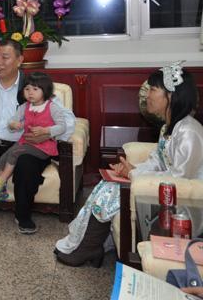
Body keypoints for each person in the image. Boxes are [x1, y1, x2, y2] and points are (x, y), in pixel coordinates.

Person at [55, 63, 203, 267]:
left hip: (184, 207)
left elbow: (180, 180)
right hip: (160, 191)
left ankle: (90, 246)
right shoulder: (170, 127)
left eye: (152, 90)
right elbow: (158, 161)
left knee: (113, 190)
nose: (146, 95)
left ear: (170, 96)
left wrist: (134, 177)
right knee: (108, 184)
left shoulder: (188, 133)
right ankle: (88, 244)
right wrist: (132, 170)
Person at [0, 39, 76, 234]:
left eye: (5, 57)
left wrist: (47, 135)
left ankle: (23, 215)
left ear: (19, 60)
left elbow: (67, 120)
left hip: (27, 147)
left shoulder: (34, 86)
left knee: (25, 163)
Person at [0, 72, 73, 206]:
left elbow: (62, 126)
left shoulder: (52, 107)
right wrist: (14, 124)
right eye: (27, 89)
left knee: (15, 153)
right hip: (25, 143)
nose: (30, 93)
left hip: (44, 147)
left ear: (45, 91)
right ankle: (1, 192)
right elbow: (12, 121)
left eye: (35, 89)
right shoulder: (24, 107)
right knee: (3, 158)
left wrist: (46, 130)